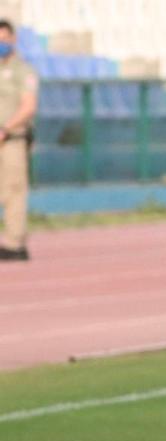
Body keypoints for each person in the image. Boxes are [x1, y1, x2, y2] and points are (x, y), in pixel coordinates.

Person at [0, 19, 37, 262]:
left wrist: (5, 129)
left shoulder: (24, 71)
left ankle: (15, 243)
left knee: (14, 190)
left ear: (13, 40)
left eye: (4, 39)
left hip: (11, 139)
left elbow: (28, 106)